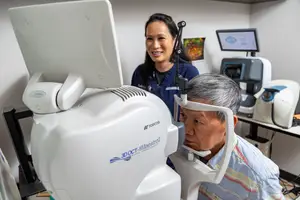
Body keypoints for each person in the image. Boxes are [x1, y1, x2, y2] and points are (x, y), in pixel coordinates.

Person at [179, 73, 284, 200]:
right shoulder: (181, 148)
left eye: (197, 121)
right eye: (183, 116)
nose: (187, 130)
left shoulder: (258, 177)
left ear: (229, 124)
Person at [131, 13, 199, 117]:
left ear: (175, 41)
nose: (155, 45)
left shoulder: (189, 73)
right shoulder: (140, 73)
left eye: (161, 38)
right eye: (150, 39)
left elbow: (195, 115)